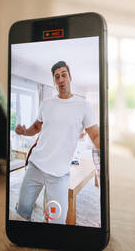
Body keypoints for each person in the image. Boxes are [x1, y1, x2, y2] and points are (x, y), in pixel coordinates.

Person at [15, 60, 99, 224]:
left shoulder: (84, 106)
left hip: (59, 175)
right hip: (35, 167)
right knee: (21, 213)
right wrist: (24, 132)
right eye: (57, 77)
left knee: (57, 221)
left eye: (63, 75)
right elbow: (37, 126)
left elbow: (95, 135)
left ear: (70, 77)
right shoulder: (46, 104)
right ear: (54, 82)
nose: (61, 79)